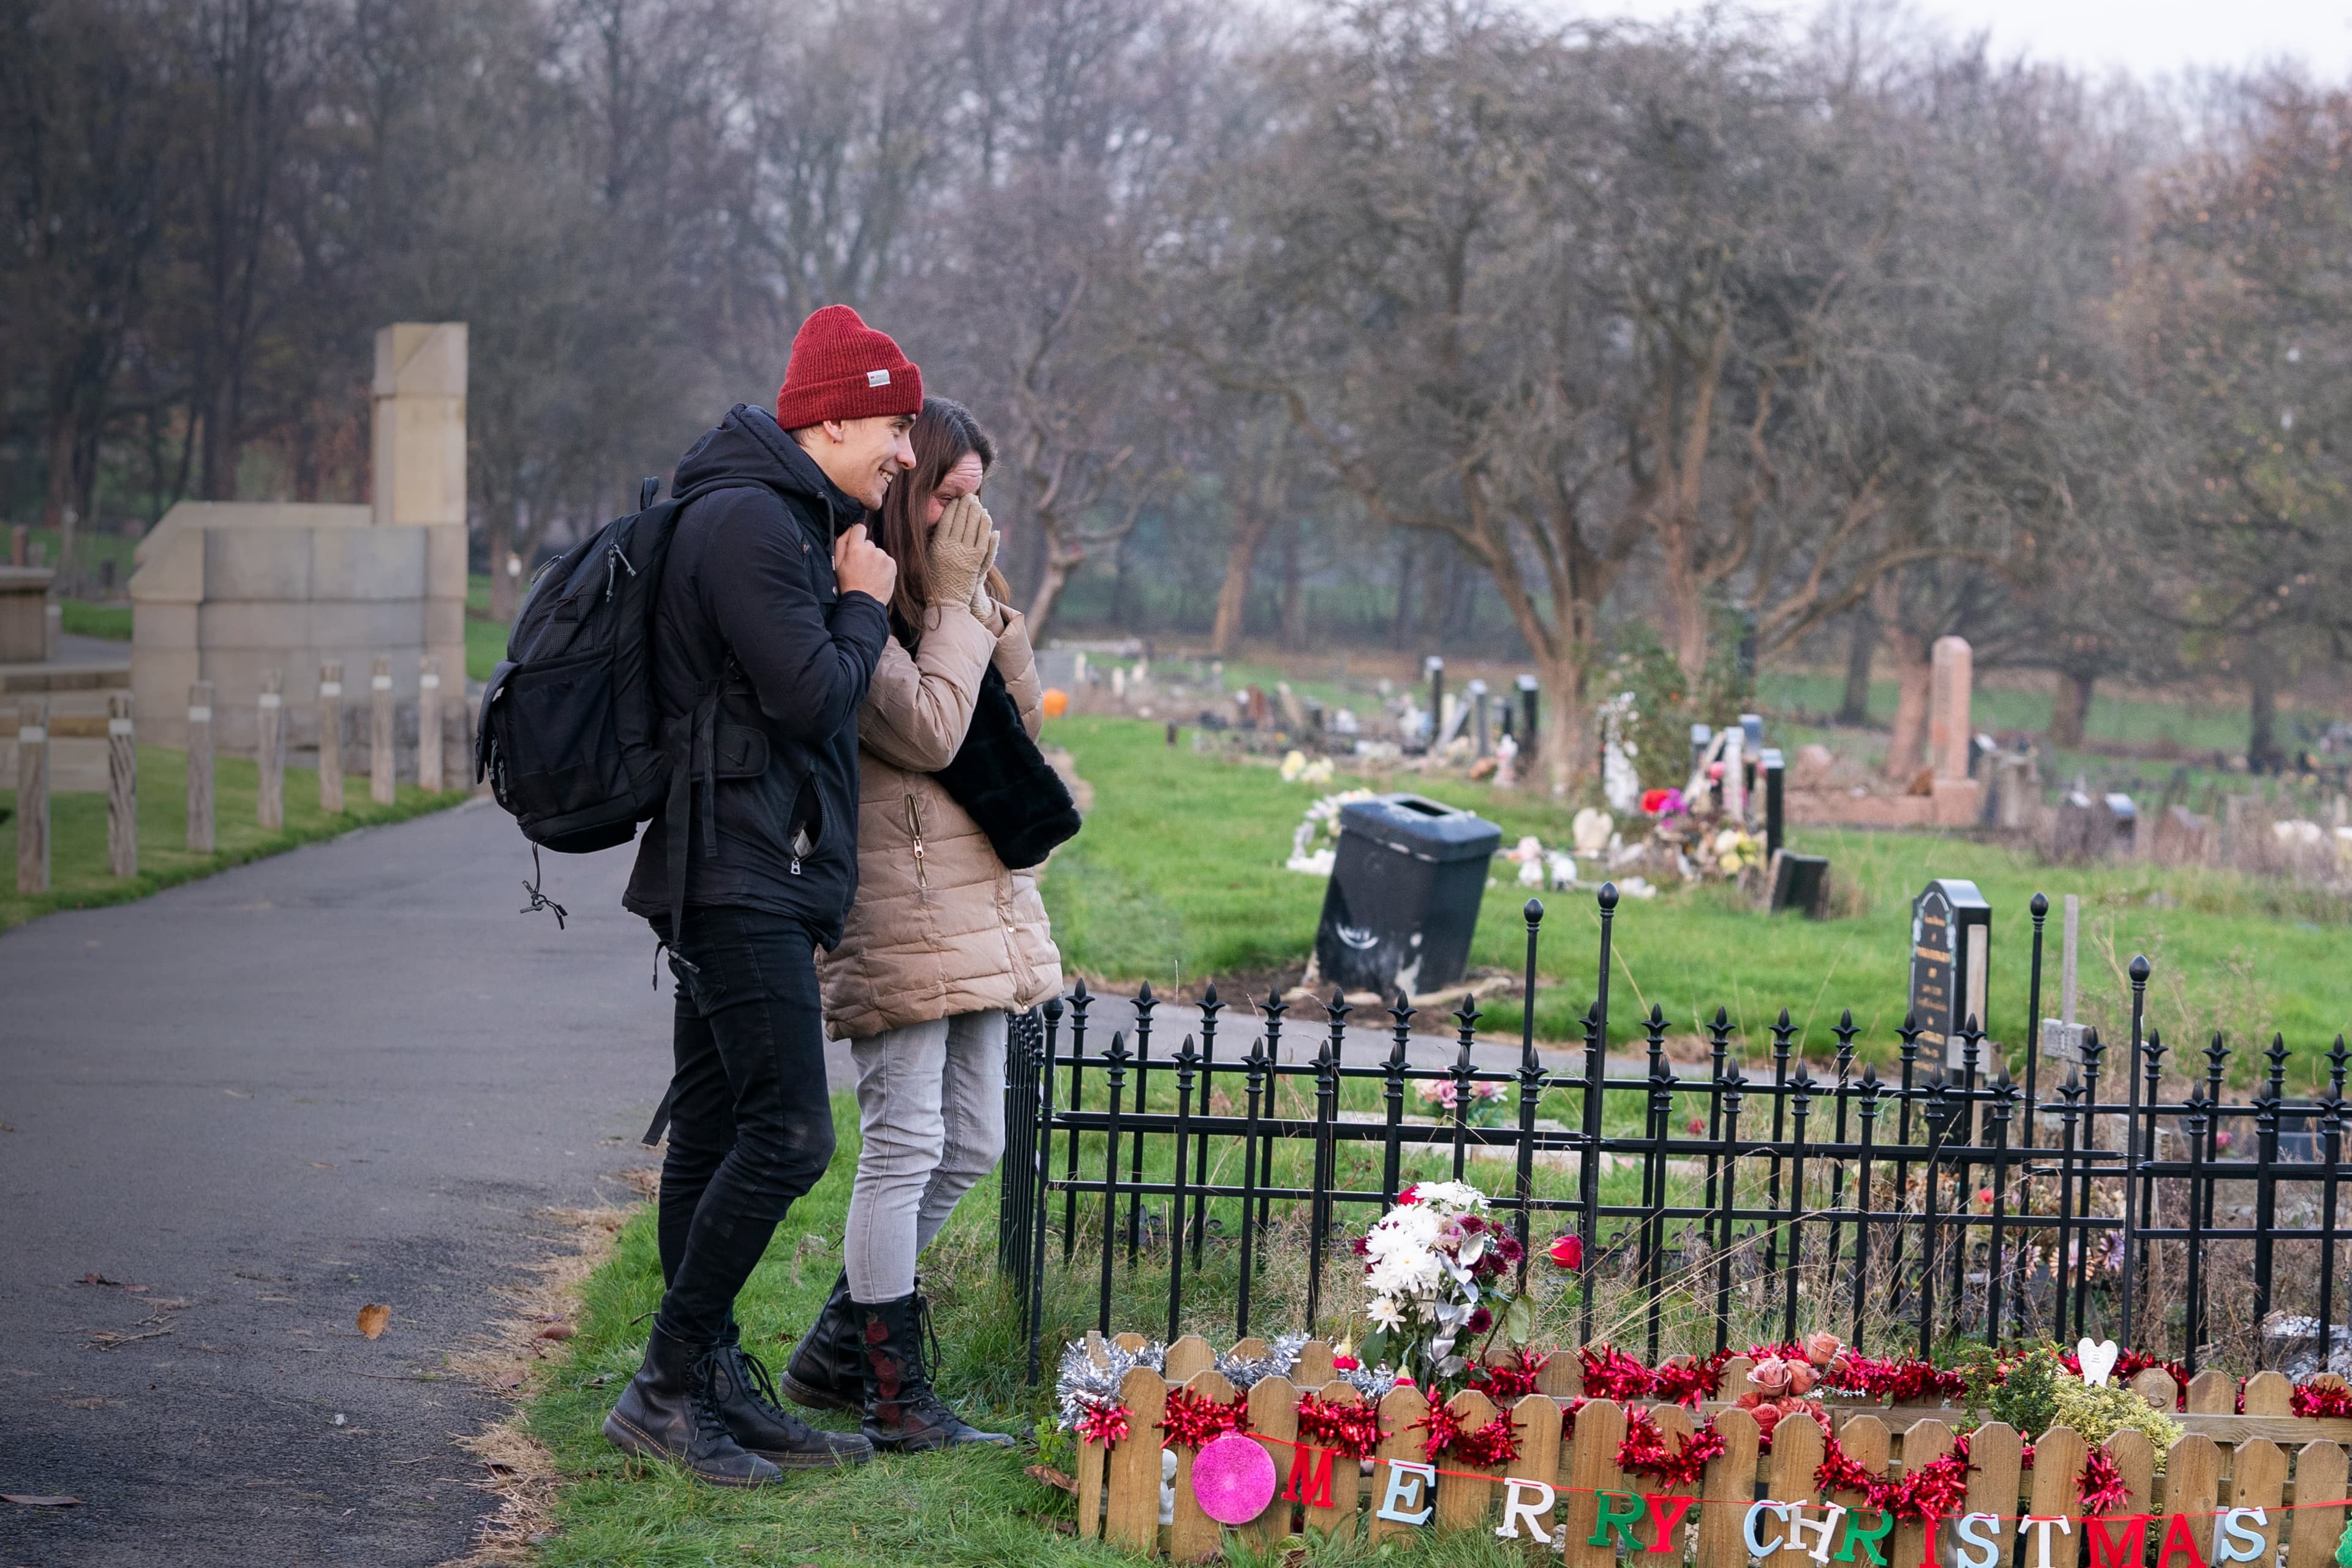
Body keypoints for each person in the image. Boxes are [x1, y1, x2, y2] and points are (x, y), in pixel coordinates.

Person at [601, 304, 914, 1487]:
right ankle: (669, 1385)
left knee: (721, 1127)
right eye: (890, 424)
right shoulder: (749, 522)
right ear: (828, 420)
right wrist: (864, 603)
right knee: (791, 1135)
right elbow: (811, 696)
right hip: (740, 875)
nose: (900, 451)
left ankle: (715, 1381)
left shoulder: (784, 516)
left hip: (745, 864)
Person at [775, 398, 1063, 1450]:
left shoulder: (958, 592)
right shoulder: (849, 591)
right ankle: (895, 1404)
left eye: (979, 502)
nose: (967, 521)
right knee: (905, 1145)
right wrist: (945, 600)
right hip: (894, 905)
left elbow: (1018, 728)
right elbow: (935, 731)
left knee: (976, 1138)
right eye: (950, 496)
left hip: (978, 899)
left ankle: (833, 1355)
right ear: (907, 489)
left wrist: (983, 603)